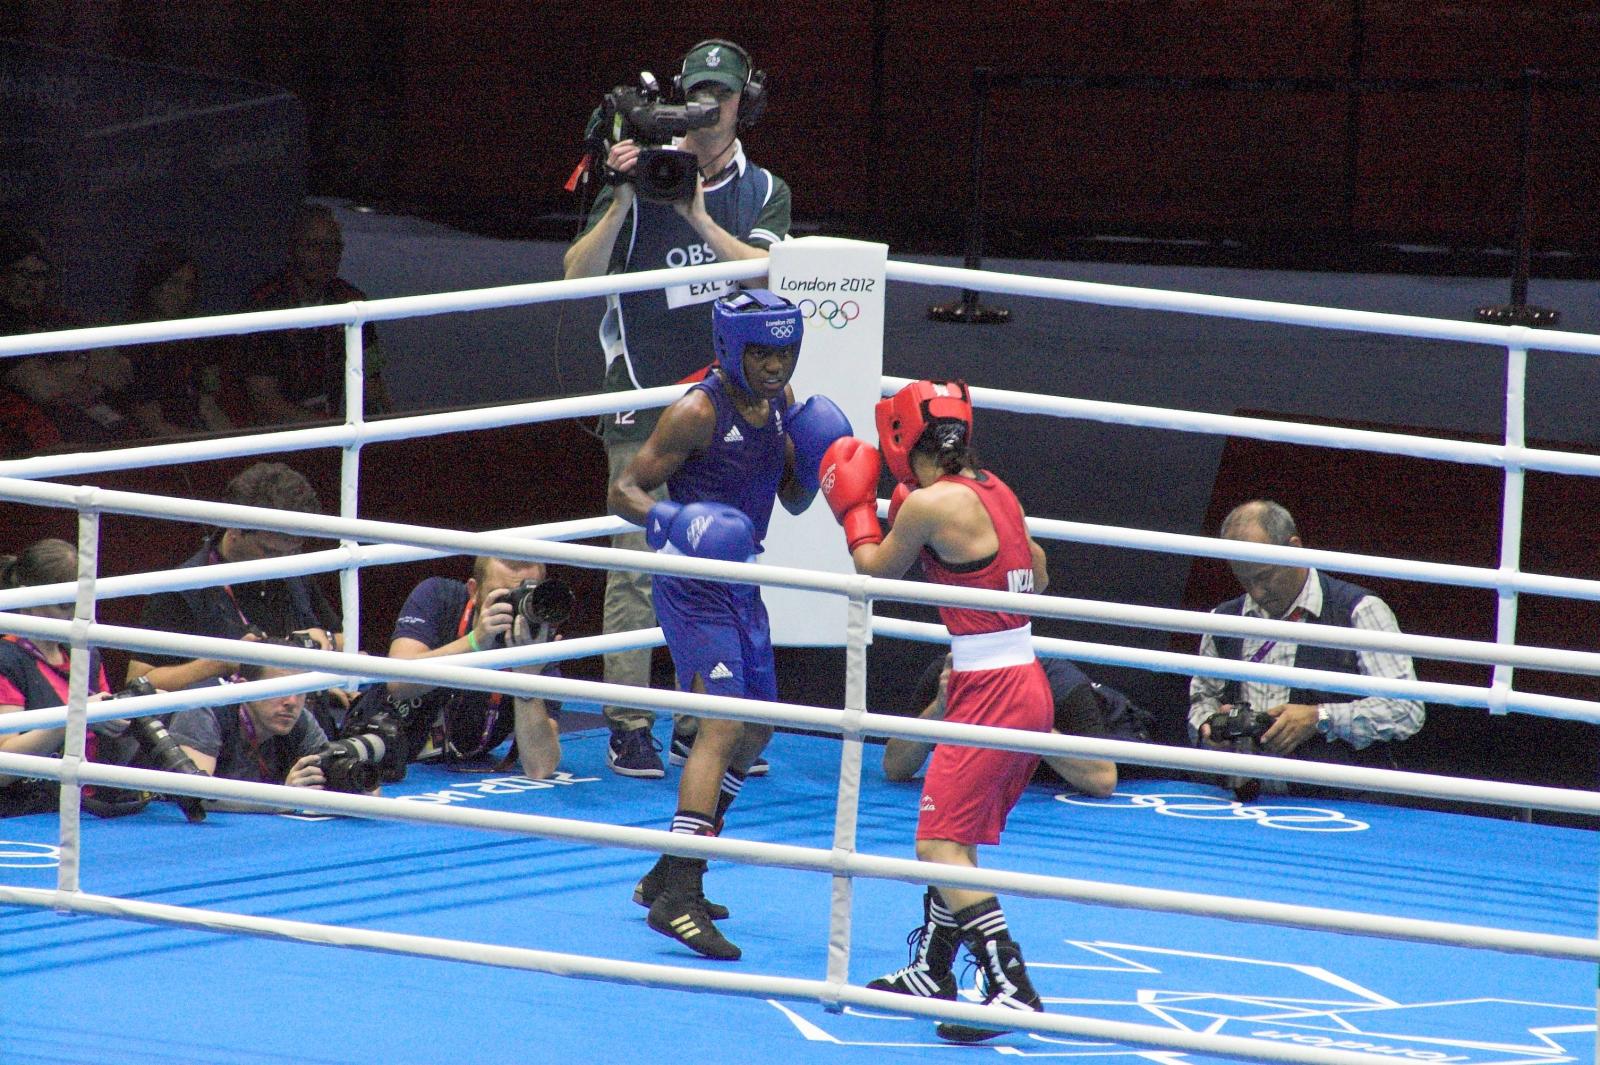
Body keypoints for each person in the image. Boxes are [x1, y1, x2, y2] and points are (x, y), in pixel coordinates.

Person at [564, 39, 791, 777]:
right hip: (641, 392)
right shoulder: (640, 171)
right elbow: (576, 276)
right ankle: (629, 723)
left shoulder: (763, 190)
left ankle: (706, 723)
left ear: (743, 102)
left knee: (720, 559)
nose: (708, 111)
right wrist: (629, 191)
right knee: (636, 567)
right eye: (696, 96)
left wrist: (691, 212)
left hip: (726, 405)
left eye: (720, 97)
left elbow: (763, 275)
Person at [607, 289, 847, 961]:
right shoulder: (695, 410)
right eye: (761, 352)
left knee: (758, 724)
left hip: (742, 578)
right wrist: (673, 521)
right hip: (691, 581)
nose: (774, 365)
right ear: (730, 348)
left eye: (783, 351)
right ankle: (680, 894)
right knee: (720, 725)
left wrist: (814, 455)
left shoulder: (781, 402)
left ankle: (669, 869)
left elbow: (793, 499)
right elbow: (622, 488)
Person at [818, 379, 1049, 1043]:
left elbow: (872, 570)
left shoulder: (926, 504)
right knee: (958, 832)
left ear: (899, 438)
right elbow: (1037, 568)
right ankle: (934, 966)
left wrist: (855, 507)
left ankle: (1012, 986)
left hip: (995, 690)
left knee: (937, 843)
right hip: (1009, 676)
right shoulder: (996, 489)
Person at [1187, 499, 1425, 795]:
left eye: (1263, 576)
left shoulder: (1360, 611)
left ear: (1295, 548)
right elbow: (1202, 700)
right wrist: (1208, 727)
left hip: (1342, 806)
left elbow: (1407, 711)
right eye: (1243, 579)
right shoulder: (1221, 620)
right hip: (1243, 802)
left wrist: (1321, 718)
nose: (1256, 591)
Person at [126, 462, 341, 700]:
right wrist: (221, 663)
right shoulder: (182, 588)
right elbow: (138, 682)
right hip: (218, 726)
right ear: (234, 527)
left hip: (298, 720)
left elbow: (342, 639)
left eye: (292, 552)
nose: (282, 563)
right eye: (270, 551)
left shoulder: (292, 568)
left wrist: (322, 644)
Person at [355, 555, 566, 780]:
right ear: (474, 591)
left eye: (526, 595)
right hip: (384, 749)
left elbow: (540, 767)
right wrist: (475, 642)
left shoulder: (535, 638)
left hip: (458, 766)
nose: (515, 607)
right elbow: (397, 684)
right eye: (504, 596)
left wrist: (527, 677)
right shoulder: (438, 596)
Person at [0, 538, 133, 817]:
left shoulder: (86, 653)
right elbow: (3, 769)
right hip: (25, 813)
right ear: (27, 597)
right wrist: (73, 717)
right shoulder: (7, 660)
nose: (75, 615)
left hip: (93, 808)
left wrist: (135, 707)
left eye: (81, 603)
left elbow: (107, 727)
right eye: (63, 605)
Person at [883, 653, 1139, 797]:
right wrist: (940, 707)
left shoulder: (1060, 683)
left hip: (1116, 732)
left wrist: (1025, 716)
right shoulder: (949, 673)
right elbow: (895, 768)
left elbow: (1103, 780)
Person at [237, 203, 390, 427]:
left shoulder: (352, 302)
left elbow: (373, 386)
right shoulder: (264, 306)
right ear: (293, 249)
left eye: (333, 248)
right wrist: (332, 430)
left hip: (335, 432)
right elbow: (265, 403)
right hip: (273, 438)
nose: (325, 257)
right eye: (314, 246)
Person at [0, 228, 134, 451]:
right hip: (34, 441)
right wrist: (87, 369)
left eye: (40, 276)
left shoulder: (58, 317)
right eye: (23, 274)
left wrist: (67, 371)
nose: (31, 285)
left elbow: (119, 370)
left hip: (88, 422)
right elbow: (43, 389)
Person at [167, 660, 361, 812]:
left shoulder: (299, 719)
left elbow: (336, 773)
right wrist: (283, 798)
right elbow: (198, 795)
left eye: (301, 691)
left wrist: (355, 782)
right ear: (245, 689)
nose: (292, 702)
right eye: (281, 689)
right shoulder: (205, 707)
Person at [118, 241, 235, 439]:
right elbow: (151, 423)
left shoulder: (194, 340)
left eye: (188, 286)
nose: (180, 294)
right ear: (153, 283)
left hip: (196, 436)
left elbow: (208, 405)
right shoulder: (133, 343)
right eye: (173, 282)